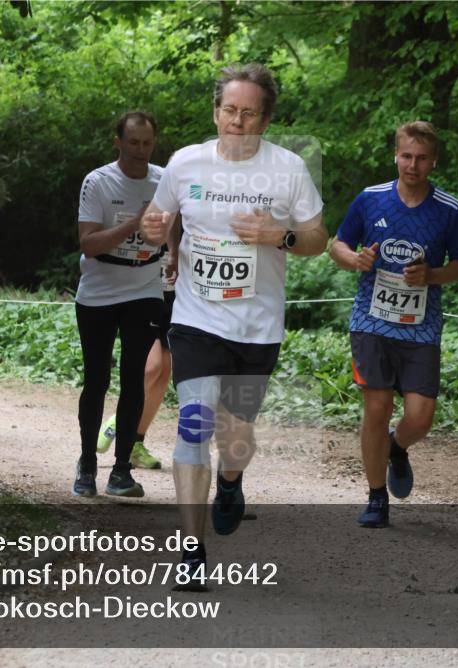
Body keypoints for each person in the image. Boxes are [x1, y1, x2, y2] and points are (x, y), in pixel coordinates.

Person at [140, 63, 328, 588]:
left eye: (248, 113)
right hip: (196, 317)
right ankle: (191, 551)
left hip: (257, 325)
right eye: (229, 110)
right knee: (194, 423)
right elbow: (157, 223)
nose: (237, 121)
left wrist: (280, 236)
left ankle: (230, 480)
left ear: (265, 120)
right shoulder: (186, 162)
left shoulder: (288, 168)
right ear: (216, 112)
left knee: (236, 436)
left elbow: (317, 238)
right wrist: (153, 230)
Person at [329, 120, 458, 528]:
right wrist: (355, 259)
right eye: (406, 156)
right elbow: (337, 245)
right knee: (376, 407)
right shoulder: (371, 199)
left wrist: (432, 275)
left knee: (421, 416)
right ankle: (376, 496)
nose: (413, 165)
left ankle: (395, 447)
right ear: (396, 155)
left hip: (421, 326)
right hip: (371, 320)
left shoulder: (448, 209)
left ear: (434, 161)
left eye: (422, 158)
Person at [72, 110, 167, 498]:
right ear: (118, 142)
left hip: (145, 287)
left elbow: (177, 227)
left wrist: (175, 254)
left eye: (147, 143)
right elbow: (89, 244)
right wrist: (134, 224)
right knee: (97, 379)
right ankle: (87, 464)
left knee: (134, 378)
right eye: (133, 143)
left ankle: (122, 470)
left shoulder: (164, 180)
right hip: (99, 290)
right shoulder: (97, 181)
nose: (141, 150)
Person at [96, 235, 178, 470]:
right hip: (145, 292)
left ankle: (136, 443)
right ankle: (120, 421)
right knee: (152, 366)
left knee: (165, 369)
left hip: (177, 295)